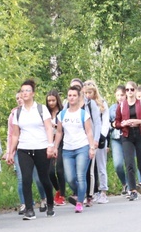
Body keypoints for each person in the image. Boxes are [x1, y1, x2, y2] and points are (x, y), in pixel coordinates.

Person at [6, 79, 56, 220]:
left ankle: (50, 204)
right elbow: (15, 134)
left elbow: (48, 127)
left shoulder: (41, 109)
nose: (25, 93)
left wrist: (50, 145)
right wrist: (11, 151)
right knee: (26, 178)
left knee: (43, 178)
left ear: (33, 93)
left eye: (28, 90)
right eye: (22, 91)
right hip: (24, 148)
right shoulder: (17, 113)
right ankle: (29, 209)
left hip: (41, 147)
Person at [55, 85, 95, 213]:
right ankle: (80, 193)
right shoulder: (62, 114)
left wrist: (92, 148)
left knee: (80, 176)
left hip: (82, 147)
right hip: (67, 149)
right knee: (70, 178)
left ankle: (79, 202)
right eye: (70, 95)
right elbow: (59, 132)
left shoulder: (84, 114)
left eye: (74, 95)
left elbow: (89, 132)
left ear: (79, 97)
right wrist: (55, 147)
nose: (72, 98)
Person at [115, 81, 141, 201]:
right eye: (127, 90)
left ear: (135, 91)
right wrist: (123, 124)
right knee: (129, 164)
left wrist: (139, 121)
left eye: (132, 89)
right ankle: (132, 190)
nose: (129, 92)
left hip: (140, 134)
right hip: (127, 135)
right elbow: (116, 122)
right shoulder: (121, 105)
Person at [83, 81, 110, 204]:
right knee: (88, 168)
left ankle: (103, 191)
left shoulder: (102, 103)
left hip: (100, 138)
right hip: (87, 138)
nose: (88, 95)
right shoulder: (83, 104)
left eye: (90, 92)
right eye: (86, 92)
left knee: (101, 165)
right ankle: (91, 192)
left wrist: (101, 137)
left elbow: (105, 121)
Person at [46, 90, 67, 206]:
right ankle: (58, 189)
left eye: (53, 100)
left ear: (57, 100)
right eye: (49, 100)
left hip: (61, 142)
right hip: (49, 142)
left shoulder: (63, 112)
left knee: (59, 169)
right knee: (49, 171)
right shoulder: (45, 113)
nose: (51, 103)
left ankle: (62, 195)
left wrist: (57, 126)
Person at [108, 85, 129, 192]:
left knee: (130, 163)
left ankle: (132, 185)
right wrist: (112, 124)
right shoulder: (111, 108)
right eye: (118, 95)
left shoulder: (130, 106)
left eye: (122, 95)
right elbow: (107, 124)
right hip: (116, 138)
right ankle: (124, 183)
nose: (120, 97)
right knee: (118, 164)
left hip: (128, 137)